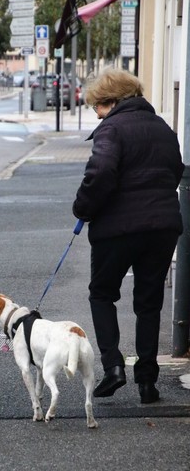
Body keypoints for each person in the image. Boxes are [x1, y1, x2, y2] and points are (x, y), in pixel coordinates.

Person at [73, 68, 184, 404]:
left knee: (102, 294)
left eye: (96, 106)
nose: (96, 113)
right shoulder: (163, 127)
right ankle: (148, 383)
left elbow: (101, 172)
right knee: (149, 304)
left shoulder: (112, 129)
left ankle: (113, 367)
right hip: (163, 227)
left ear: (111, 101)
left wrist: (83, 208)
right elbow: (176, 169)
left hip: (117, 230)